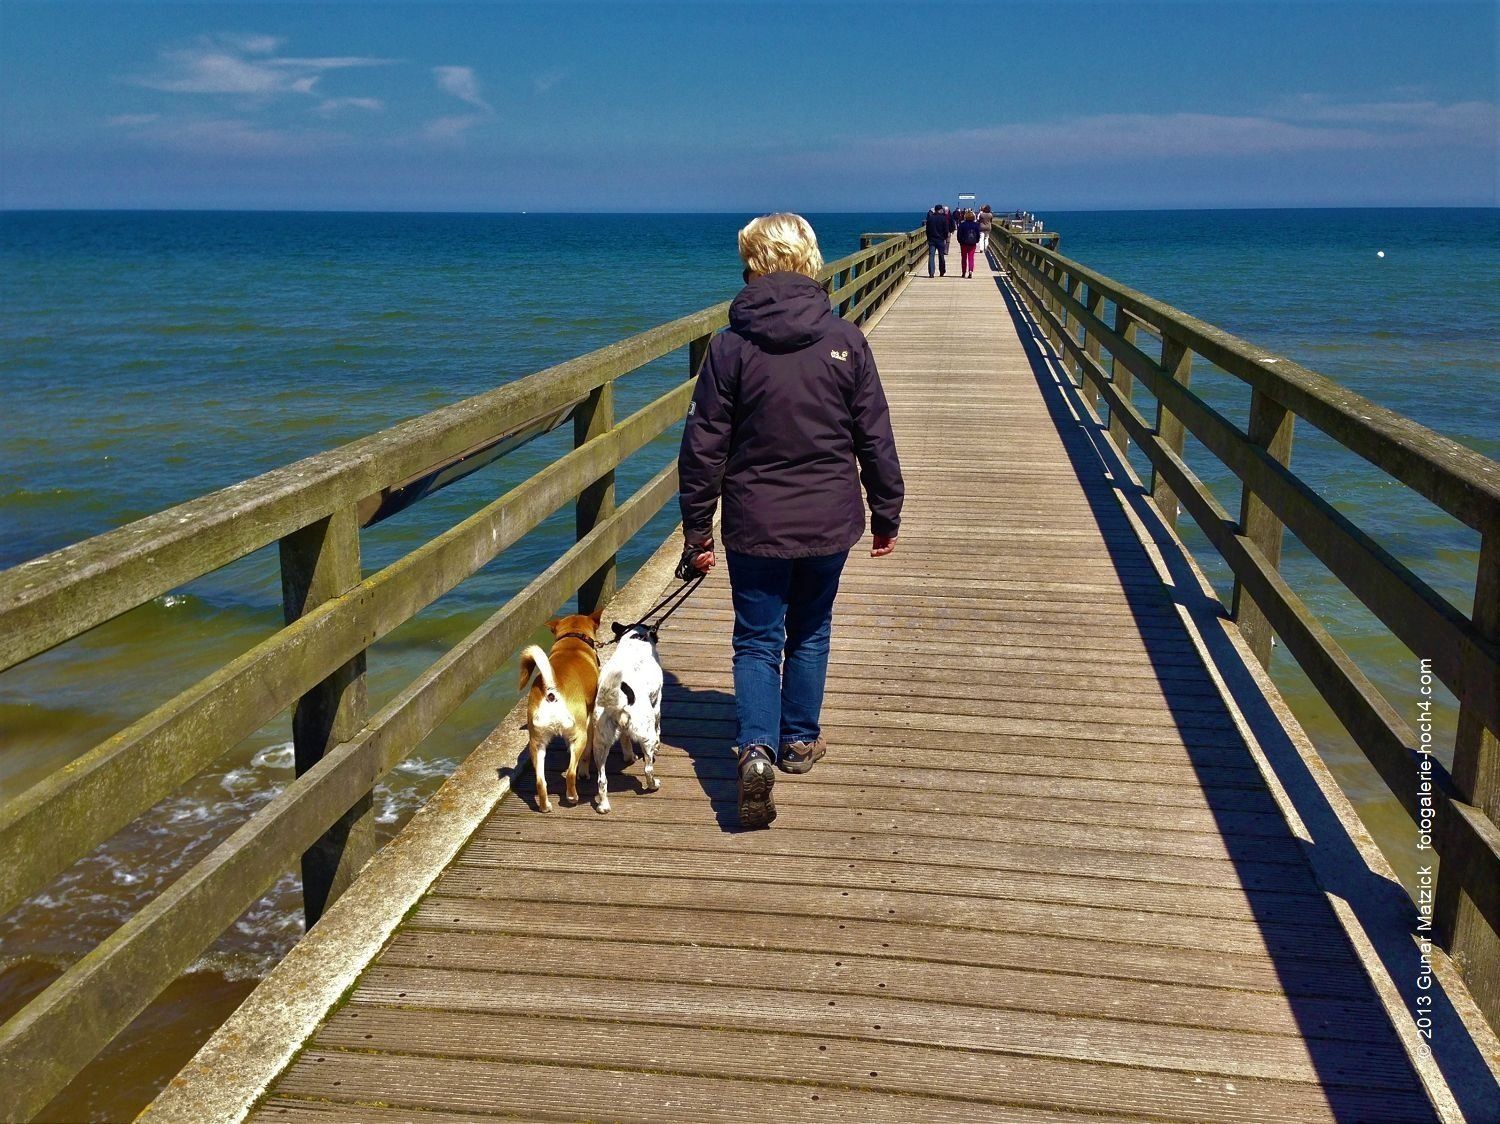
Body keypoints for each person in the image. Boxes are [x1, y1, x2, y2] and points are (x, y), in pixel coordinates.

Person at [677, 213, 904, 829]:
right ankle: (800, 738)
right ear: (810, 261)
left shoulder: (730, 347)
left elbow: (703, 446)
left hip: (755, 519)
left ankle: (756, 749)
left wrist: (697, 530)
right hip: (829, 517)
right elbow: (873, 436)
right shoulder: (846, 340)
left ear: (752, 265)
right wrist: (888, 511)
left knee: (757, 638)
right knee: (811, 628)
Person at [924, 203, 951, 277]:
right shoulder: (943, 218)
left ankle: (931, 273)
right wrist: (945, 238)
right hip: (940, 240)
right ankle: (942, 271)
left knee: (931, 256)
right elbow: (946, 230)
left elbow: (927, 230)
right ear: (940, 210)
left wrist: (928, 238)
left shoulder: (930, 218)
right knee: (941, 256)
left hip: (932, 240)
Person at [956, 209, 981, 277]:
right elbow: (978, 234)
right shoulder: (976, 225)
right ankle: (970, 270)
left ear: (965, 217)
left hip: (963, 243)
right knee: (971, 257)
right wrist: (977, 240)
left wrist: (960, 241)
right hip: (972, 243)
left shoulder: (962, 224)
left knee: (964, 258)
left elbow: (959, 234)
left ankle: (963, 272)